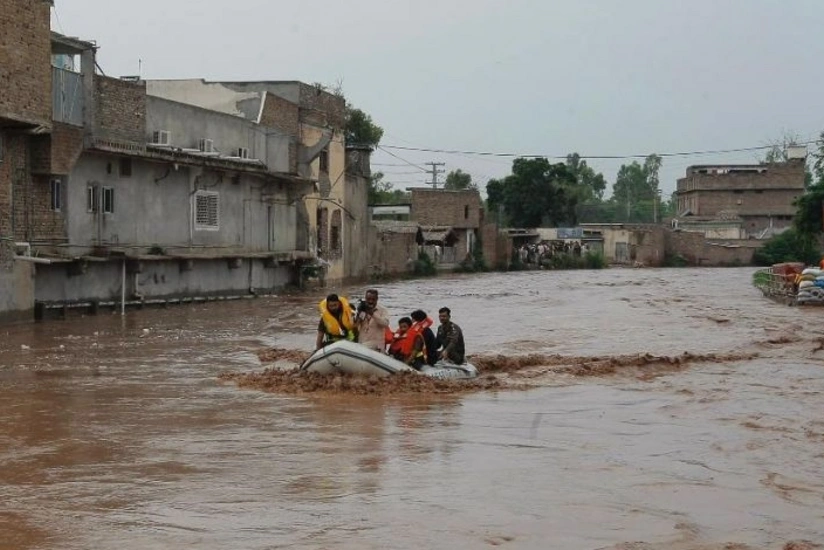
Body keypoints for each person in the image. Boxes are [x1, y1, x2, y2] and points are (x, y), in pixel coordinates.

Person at [355, 288, 390, 353]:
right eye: (368, 299)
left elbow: (386, 324)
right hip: (362, 343)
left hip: (377, 346)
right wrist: (359, 313)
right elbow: (355, 325)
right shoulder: (362, 309)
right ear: (365, 298)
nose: (370, 301)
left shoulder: (383, 310)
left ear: (377, 299)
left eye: (373, 299)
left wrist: (372, 314)